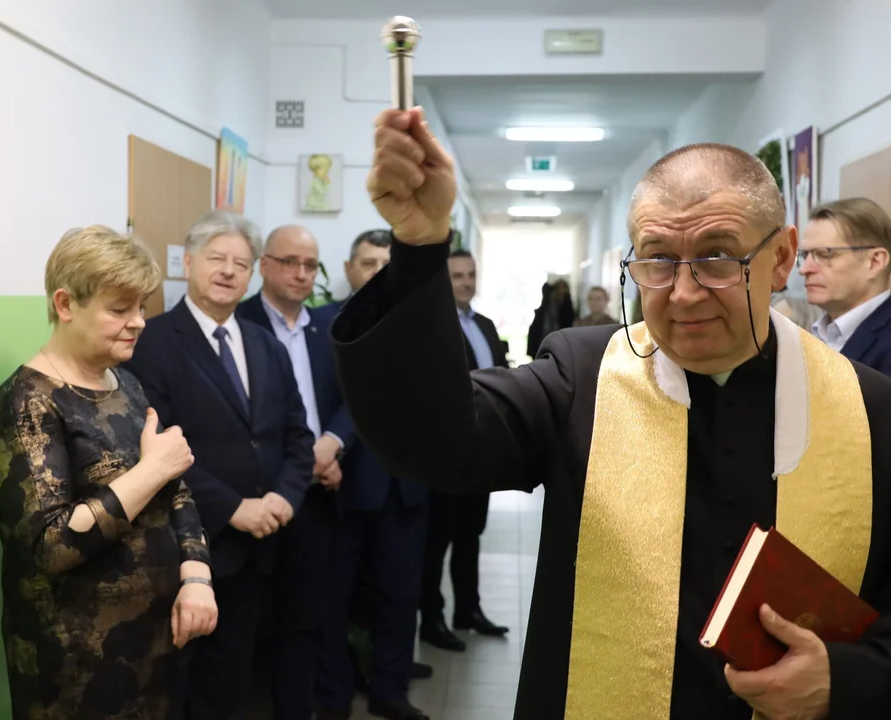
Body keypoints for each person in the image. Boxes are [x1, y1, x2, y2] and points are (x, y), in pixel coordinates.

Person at [332, 107, 891, 719]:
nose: (682, 292)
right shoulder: (583, 378)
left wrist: (844, 678)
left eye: (717, 257)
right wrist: (419, 244)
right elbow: (436, 440)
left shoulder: (868, 410)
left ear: (781, 258)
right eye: (656, 259)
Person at [0, 225, 217, 720]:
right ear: (66, 305)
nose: (138, 322)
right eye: (119, 309)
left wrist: (197, 576)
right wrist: (150, 471)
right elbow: (52, 544)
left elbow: (175, 488)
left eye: (142, 307)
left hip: (153, 642)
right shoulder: (29, 403)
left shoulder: (125, 384)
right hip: (75, 663)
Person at [122, 210, 315, 720]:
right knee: (178, 683)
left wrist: (282, 498)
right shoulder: (153, 343)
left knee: (231, 682)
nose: (229, 271)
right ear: (187, 263)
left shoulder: (266, 346)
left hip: (259, 547)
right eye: (216, 259)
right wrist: (232, 508)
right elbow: (156, 447)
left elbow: (297, 436)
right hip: (189, 544)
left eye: (241, 263)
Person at [235, 224, 352, 719]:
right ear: (263, 265)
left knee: (304, 621)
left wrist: (332, 443)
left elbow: (354, 400)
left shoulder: (327, 328)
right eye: (290, 263)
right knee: (240, 626)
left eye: (311, 265)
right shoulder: (236, 324)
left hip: (316, 498)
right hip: (252, 501)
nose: (302, 274)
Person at [314, 229, 431, 720]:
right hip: (338, 484)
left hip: (406, 485)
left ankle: (390, 688)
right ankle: (335, 693)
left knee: (401, 596)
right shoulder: (320, 324)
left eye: (388, 263)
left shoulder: (421, 325)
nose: (378, 272)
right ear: (348, 269)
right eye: (368, 263)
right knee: (332, 600)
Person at [420, 249, 510, 652]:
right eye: (457, 276)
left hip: (483, 448)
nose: (466, 282)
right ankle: (433, 619)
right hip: (444, 452)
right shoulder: (432, 326)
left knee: (471, 533)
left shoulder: (486, 325)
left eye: (471, 274)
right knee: (437, 539)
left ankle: (468, 610)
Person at [799, 197, 891, 375]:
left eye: (825, 254)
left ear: (875, 262)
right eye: (805, 255)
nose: (804, 269)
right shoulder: (813, 335)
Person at [526, 280, 574, 359]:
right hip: (542, 341)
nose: (561, 292)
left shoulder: (566, 307)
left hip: (559, 343)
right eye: (559, 289)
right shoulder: (548, 303)